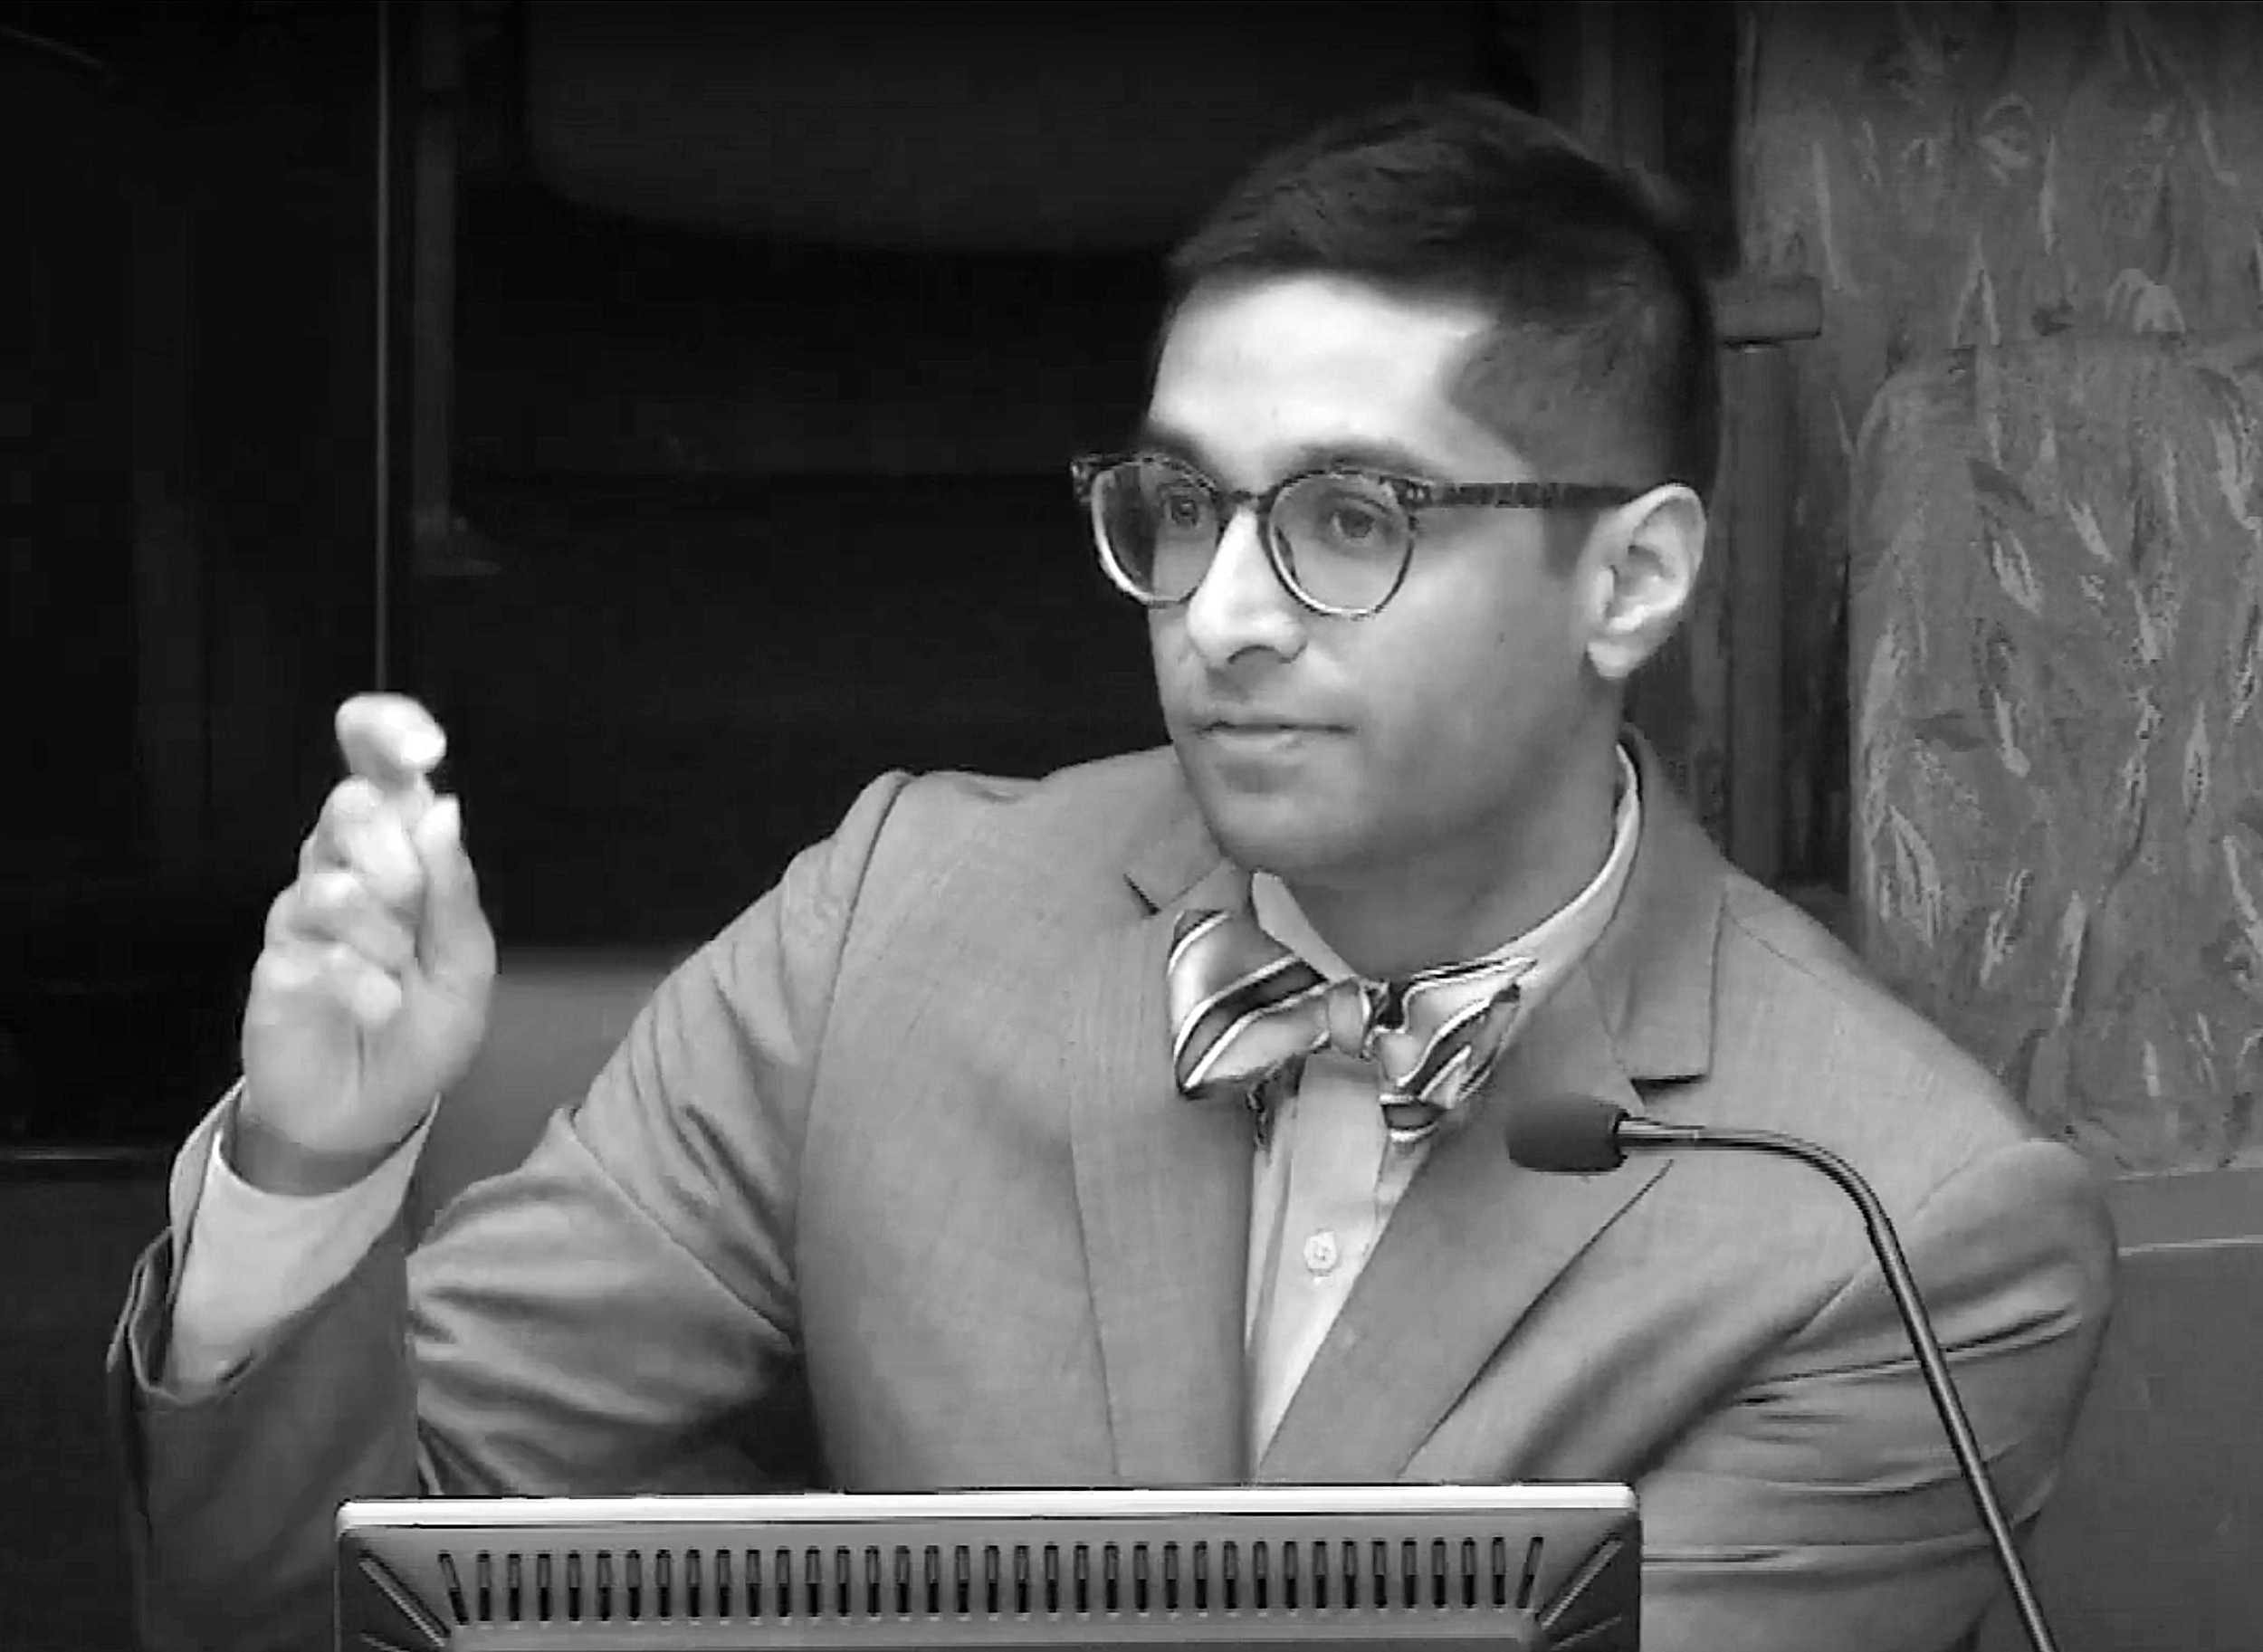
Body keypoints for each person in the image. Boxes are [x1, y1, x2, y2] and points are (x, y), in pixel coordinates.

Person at [109, 93, 2114, 1652]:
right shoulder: (894, 919)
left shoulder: (1895, 1226)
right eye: (1176, 505)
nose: (1219, 613)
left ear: (1630, 577)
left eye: (1346, 516)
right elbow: (353, 1593)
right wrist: (308, 1180)